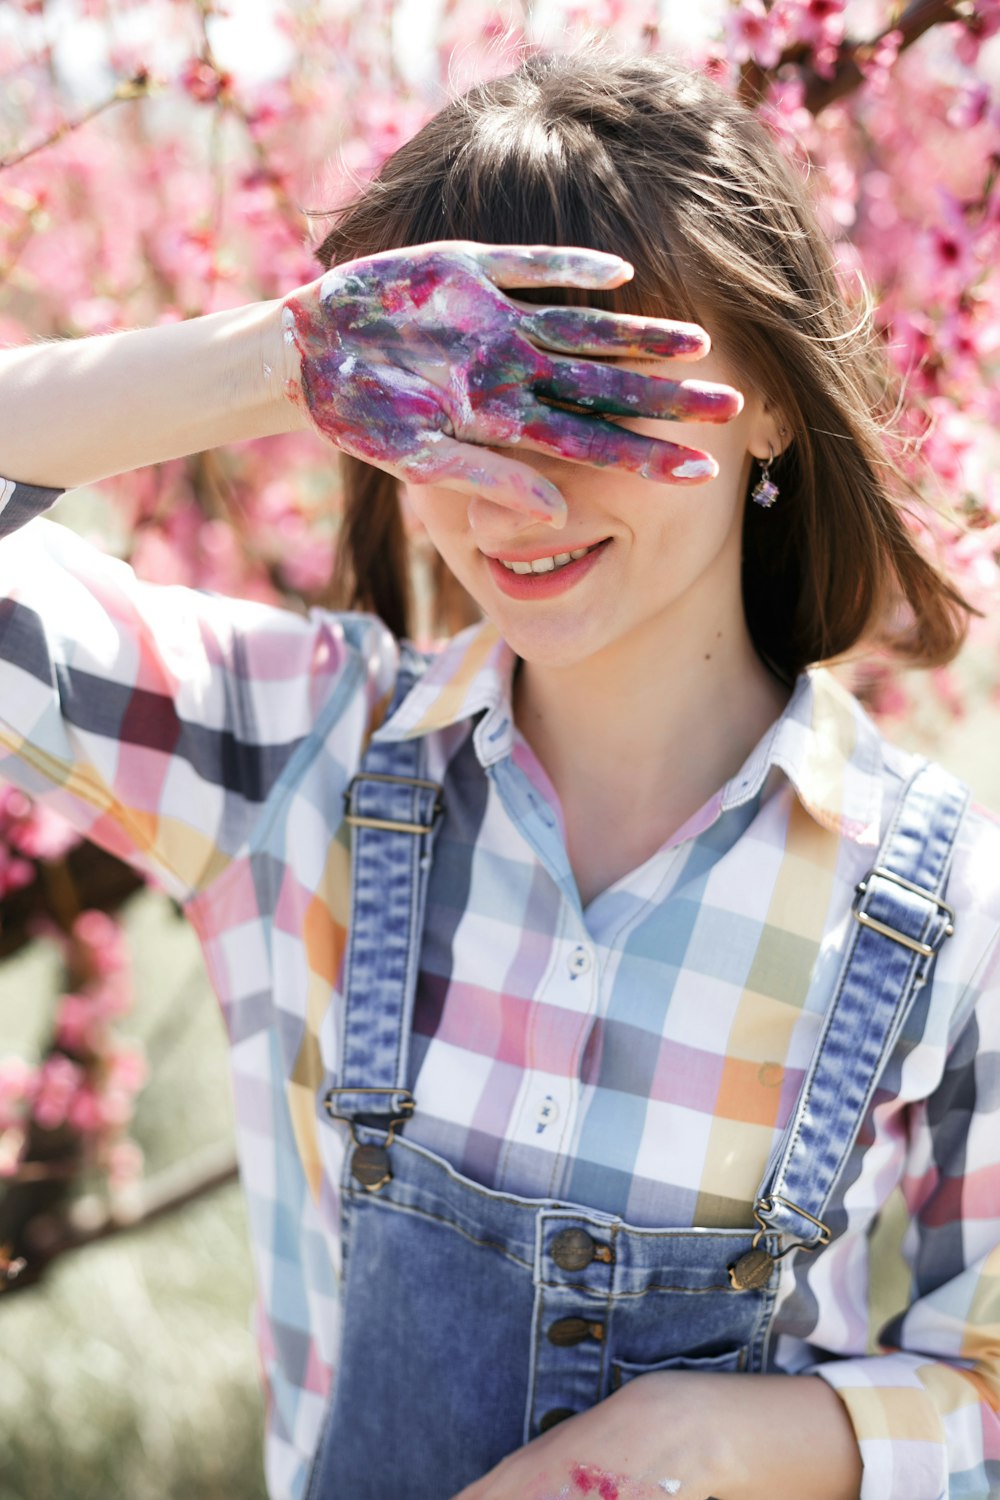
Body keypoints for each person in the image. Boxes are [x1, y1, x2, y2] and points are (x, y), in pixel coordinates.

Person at [0, 44, 998, 1500]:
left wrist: (699, 1442)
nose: (512, 488)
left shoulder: (939, 905)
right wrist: (280, 360)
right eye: (445, 402)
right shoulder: (297, 764)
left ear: (773, 405)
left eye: (593, 394)